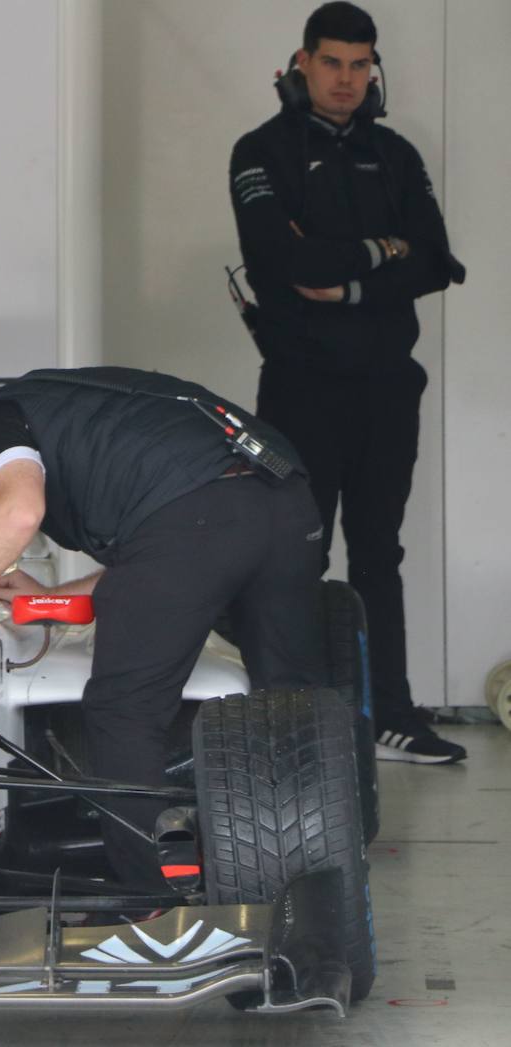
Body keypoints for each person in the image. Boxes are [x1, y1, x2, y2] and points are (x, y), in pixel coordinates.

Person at [0, 367, 327, 889]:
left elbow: (20, 511)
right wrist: (64, 597)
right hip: (286, 500)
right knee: (289, 700)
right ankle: (312, 880)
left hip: (198, 518)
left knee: (125, 708)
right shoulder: (92, 408)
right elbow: (165, 544)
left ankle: (151, 897)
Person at [229, 2, 465, 763]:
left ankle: (388, 714)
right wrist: (385, 250)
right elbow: (289, 268)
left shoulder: (394, 153)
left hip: (389, 386)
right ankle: (293, 720)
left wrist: (355, 269)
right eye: (332, 63)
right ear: (302, 64)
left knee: (378, 552)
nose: (346, 80)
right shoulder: (258, 151)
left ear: (375, 71)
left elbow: (438, 262)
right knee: (295, 552)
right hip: (301, 386)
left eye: (361, 65)